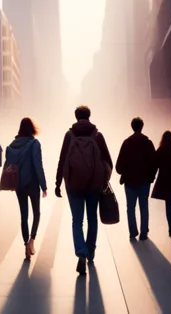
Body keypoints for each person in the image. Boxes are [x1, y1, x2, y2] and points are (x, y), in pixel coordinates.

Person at [56, 106, 112, 274]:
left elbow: (62, 158)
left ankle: (81, 252)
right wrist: (104, 180)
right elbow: (108, 160)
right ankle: (91, 251)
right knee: (92, 218)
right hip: (94, 184)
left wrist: (57, 182)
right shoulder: (97, 135)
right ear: (89, 116)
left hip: (73, 184)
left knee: (77, 220)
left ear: (76, 117)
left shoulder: (69, 135)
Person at [5, 119, 47, 260]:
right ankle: (32, 240)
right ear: (32, 129)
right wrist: (43, 185)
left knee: (24, 215)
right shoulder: (34, 144)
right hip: (32, 184)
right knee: (36, 213)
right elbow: (38, 165)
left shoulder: (12, 145)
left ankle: (25, 245)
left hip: (18, 185)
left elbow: (8, 166)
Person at [116, 117, 156, 241]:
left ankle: (133, 231)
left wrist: (123, 172)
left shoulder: (127, 143)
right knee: (144, 206)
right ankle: (144, 232)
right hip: (144, 181)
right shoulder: (148, 143)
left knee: (130, 207)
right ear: (142, 126)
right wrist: (151, 176)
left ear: (132, 127)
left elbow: (119, 166)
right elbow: (154, 162)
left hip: (130, 181)